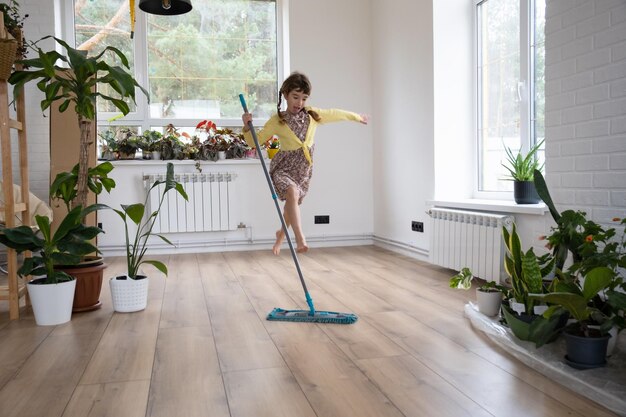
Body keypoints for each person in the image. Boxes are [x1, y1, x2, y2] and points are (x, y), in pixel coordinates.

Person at [242, 72, 368, 255]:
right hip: (284, 167)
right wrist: (247, 126)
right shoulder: (278, 120)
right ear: (285, 94)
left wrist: (357, 117)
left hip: (303, 170)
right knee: (291, 193)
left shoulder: (312, 115)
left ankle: (280, 235)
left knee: (290, 208)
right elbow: (254, 142)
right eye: (295, 97)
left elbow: (335, 113)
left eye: (304, 98)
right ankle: (300, 239)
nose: (299, 102)